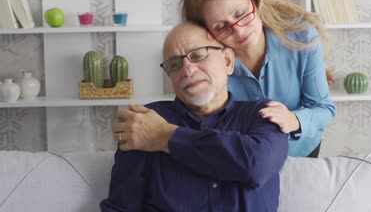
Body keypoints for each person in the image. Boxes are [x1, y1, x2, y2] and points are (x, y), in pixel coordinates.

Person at [100, 22, 288, 212]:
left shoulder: (263, 114)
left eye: (198, 55)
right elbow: (120, 208)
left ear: (228, 62)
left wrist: (164, 136)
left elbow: (257, 166)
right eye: (174, 64)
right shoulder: (143, 120)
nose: (188, 70)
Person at [180, 0, 336, 157]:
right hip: (246, 159)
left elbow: (323, 109)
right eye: (221, 26)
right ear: (207, 34)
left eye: (240, 14)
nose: (239, 31)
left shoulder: (301, 35)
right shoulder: (206, 65)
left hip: (300, 152)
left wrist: (294, 119)